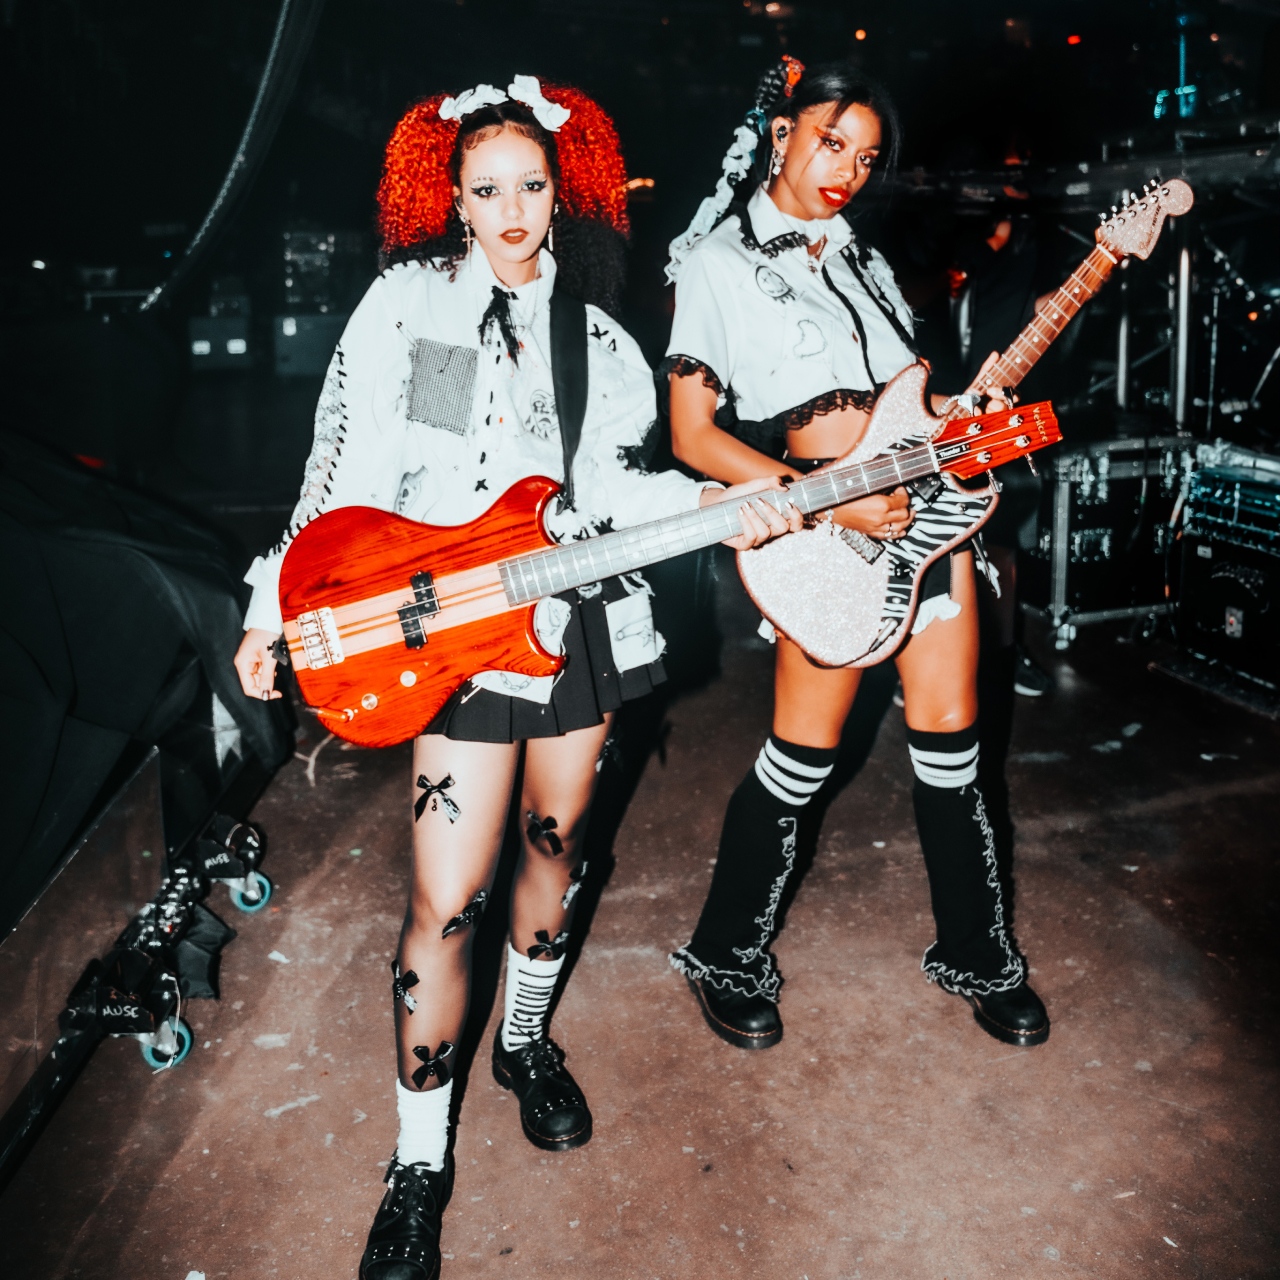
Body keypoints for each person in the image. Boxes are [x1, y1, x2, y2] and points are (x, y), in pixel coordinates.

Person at [232, 76, 800, 1280]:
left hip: (573, 628)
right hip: (445, 626)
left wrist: (721, 503)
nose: (509, 210)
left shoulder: (599, 340)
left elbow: (616, 495)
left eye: (529, 186)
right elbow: (337, 463)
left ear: (564, 189)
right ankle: (417, 1162)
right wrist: (274, 597)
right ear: (448, 195)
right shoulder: (405, 304)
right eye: (484, 188)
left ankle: (525, 1042)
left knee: (555, 848)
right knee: (446, 897)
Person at [662, 57, 1050, 1056]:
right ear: (783, 130)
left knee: (952, 744)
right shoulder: (717, 263)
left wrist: (966, 423)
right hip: (819, 531)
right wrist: (821, 503)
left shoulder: (866, 264)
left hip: (928, 522)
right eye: (831, 140)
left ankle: (976, 949)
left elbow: (903, 408)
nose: (846, 169)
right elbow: (695, 434)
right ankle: (724, 950)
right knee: (801, 754)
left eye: (866, 156)